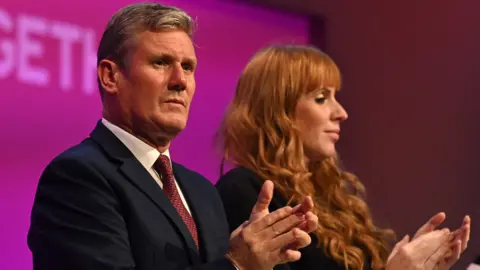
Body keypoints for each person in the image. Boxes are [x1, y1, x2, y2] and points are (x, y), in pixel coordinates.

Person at [27, 4, 319, 270]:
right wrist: (238, 264)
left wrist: (266, 258)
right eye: (161, 63)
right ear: (110, 76)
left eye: (188, 67)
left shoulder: (202, 191)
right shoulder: (78, 177)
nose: (180, 81)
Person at [215, 45, 471, 270]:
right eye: (321, 98)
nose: (341, 113)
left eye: (335, 97)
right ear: (278, 110)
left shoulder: (332, 195)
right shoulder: (246, 190)